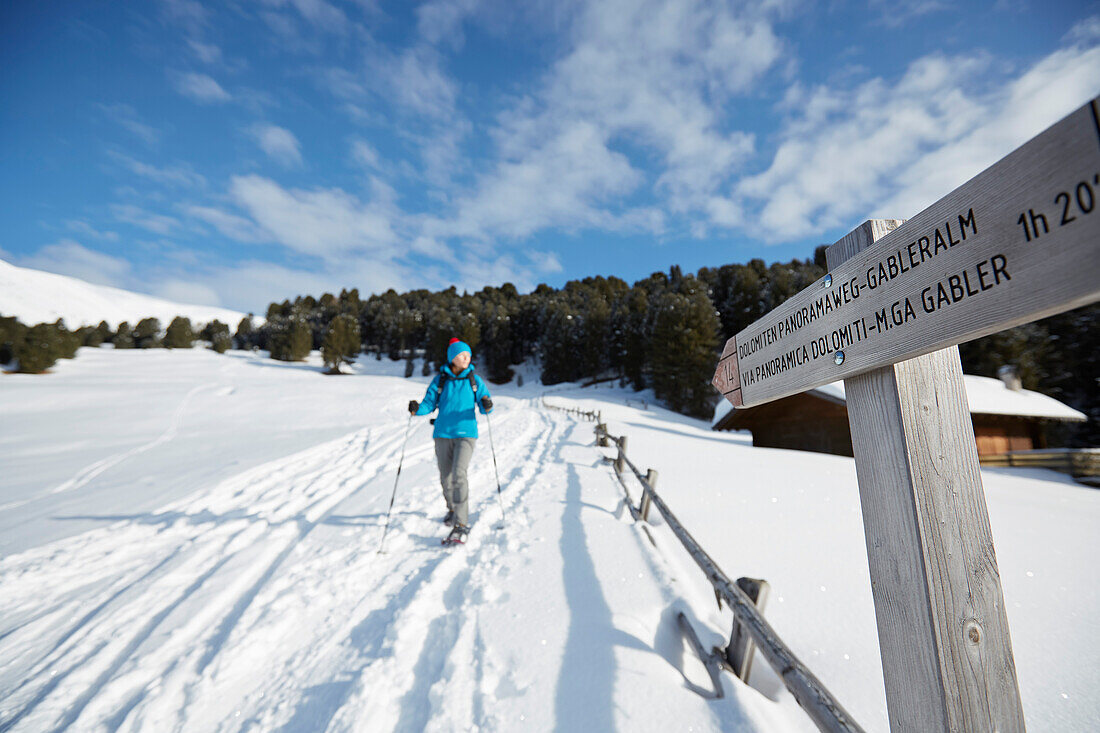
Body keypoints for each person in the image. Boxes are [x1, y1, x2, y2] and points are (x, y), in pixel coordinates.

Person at [408, 338, 493, 545]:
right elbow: (429, 403)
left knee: (458, 474)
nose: (467, 359)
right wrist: (417, 408)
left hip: (466, 433)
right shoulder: (440, 381)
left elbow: (485, 406)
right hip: (442, 433)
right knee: (445, 477)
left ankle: (461, 524)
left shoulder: (474, 380)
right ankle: (452, 509)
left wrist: (487, 404)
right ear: (452, 357)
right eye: (462, 355)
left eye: (469, 355)